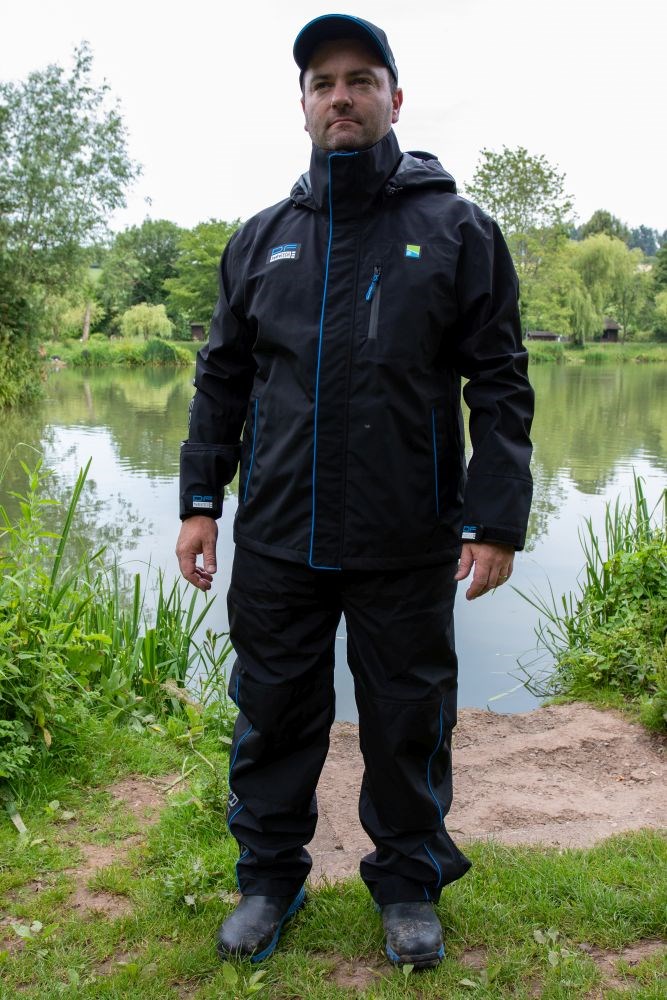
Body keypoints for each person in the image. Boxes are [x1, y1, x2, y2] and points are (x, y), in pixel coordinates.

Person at [176, 13, 534, 969]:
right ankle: (268, 880)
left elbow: (499, 383)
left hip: (407, 534)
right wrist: (201, 502)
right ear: (301, 105)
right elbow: (220, 380)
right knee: (273, 712)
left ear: (394, 98)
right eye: (323, 82)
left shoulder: (457, 230)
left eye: (360, 79)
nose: (341, 96)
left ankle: (409, 884)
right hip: (279, 532)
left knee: (407, 717)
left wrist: (496, 517)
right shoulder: (261, 240)